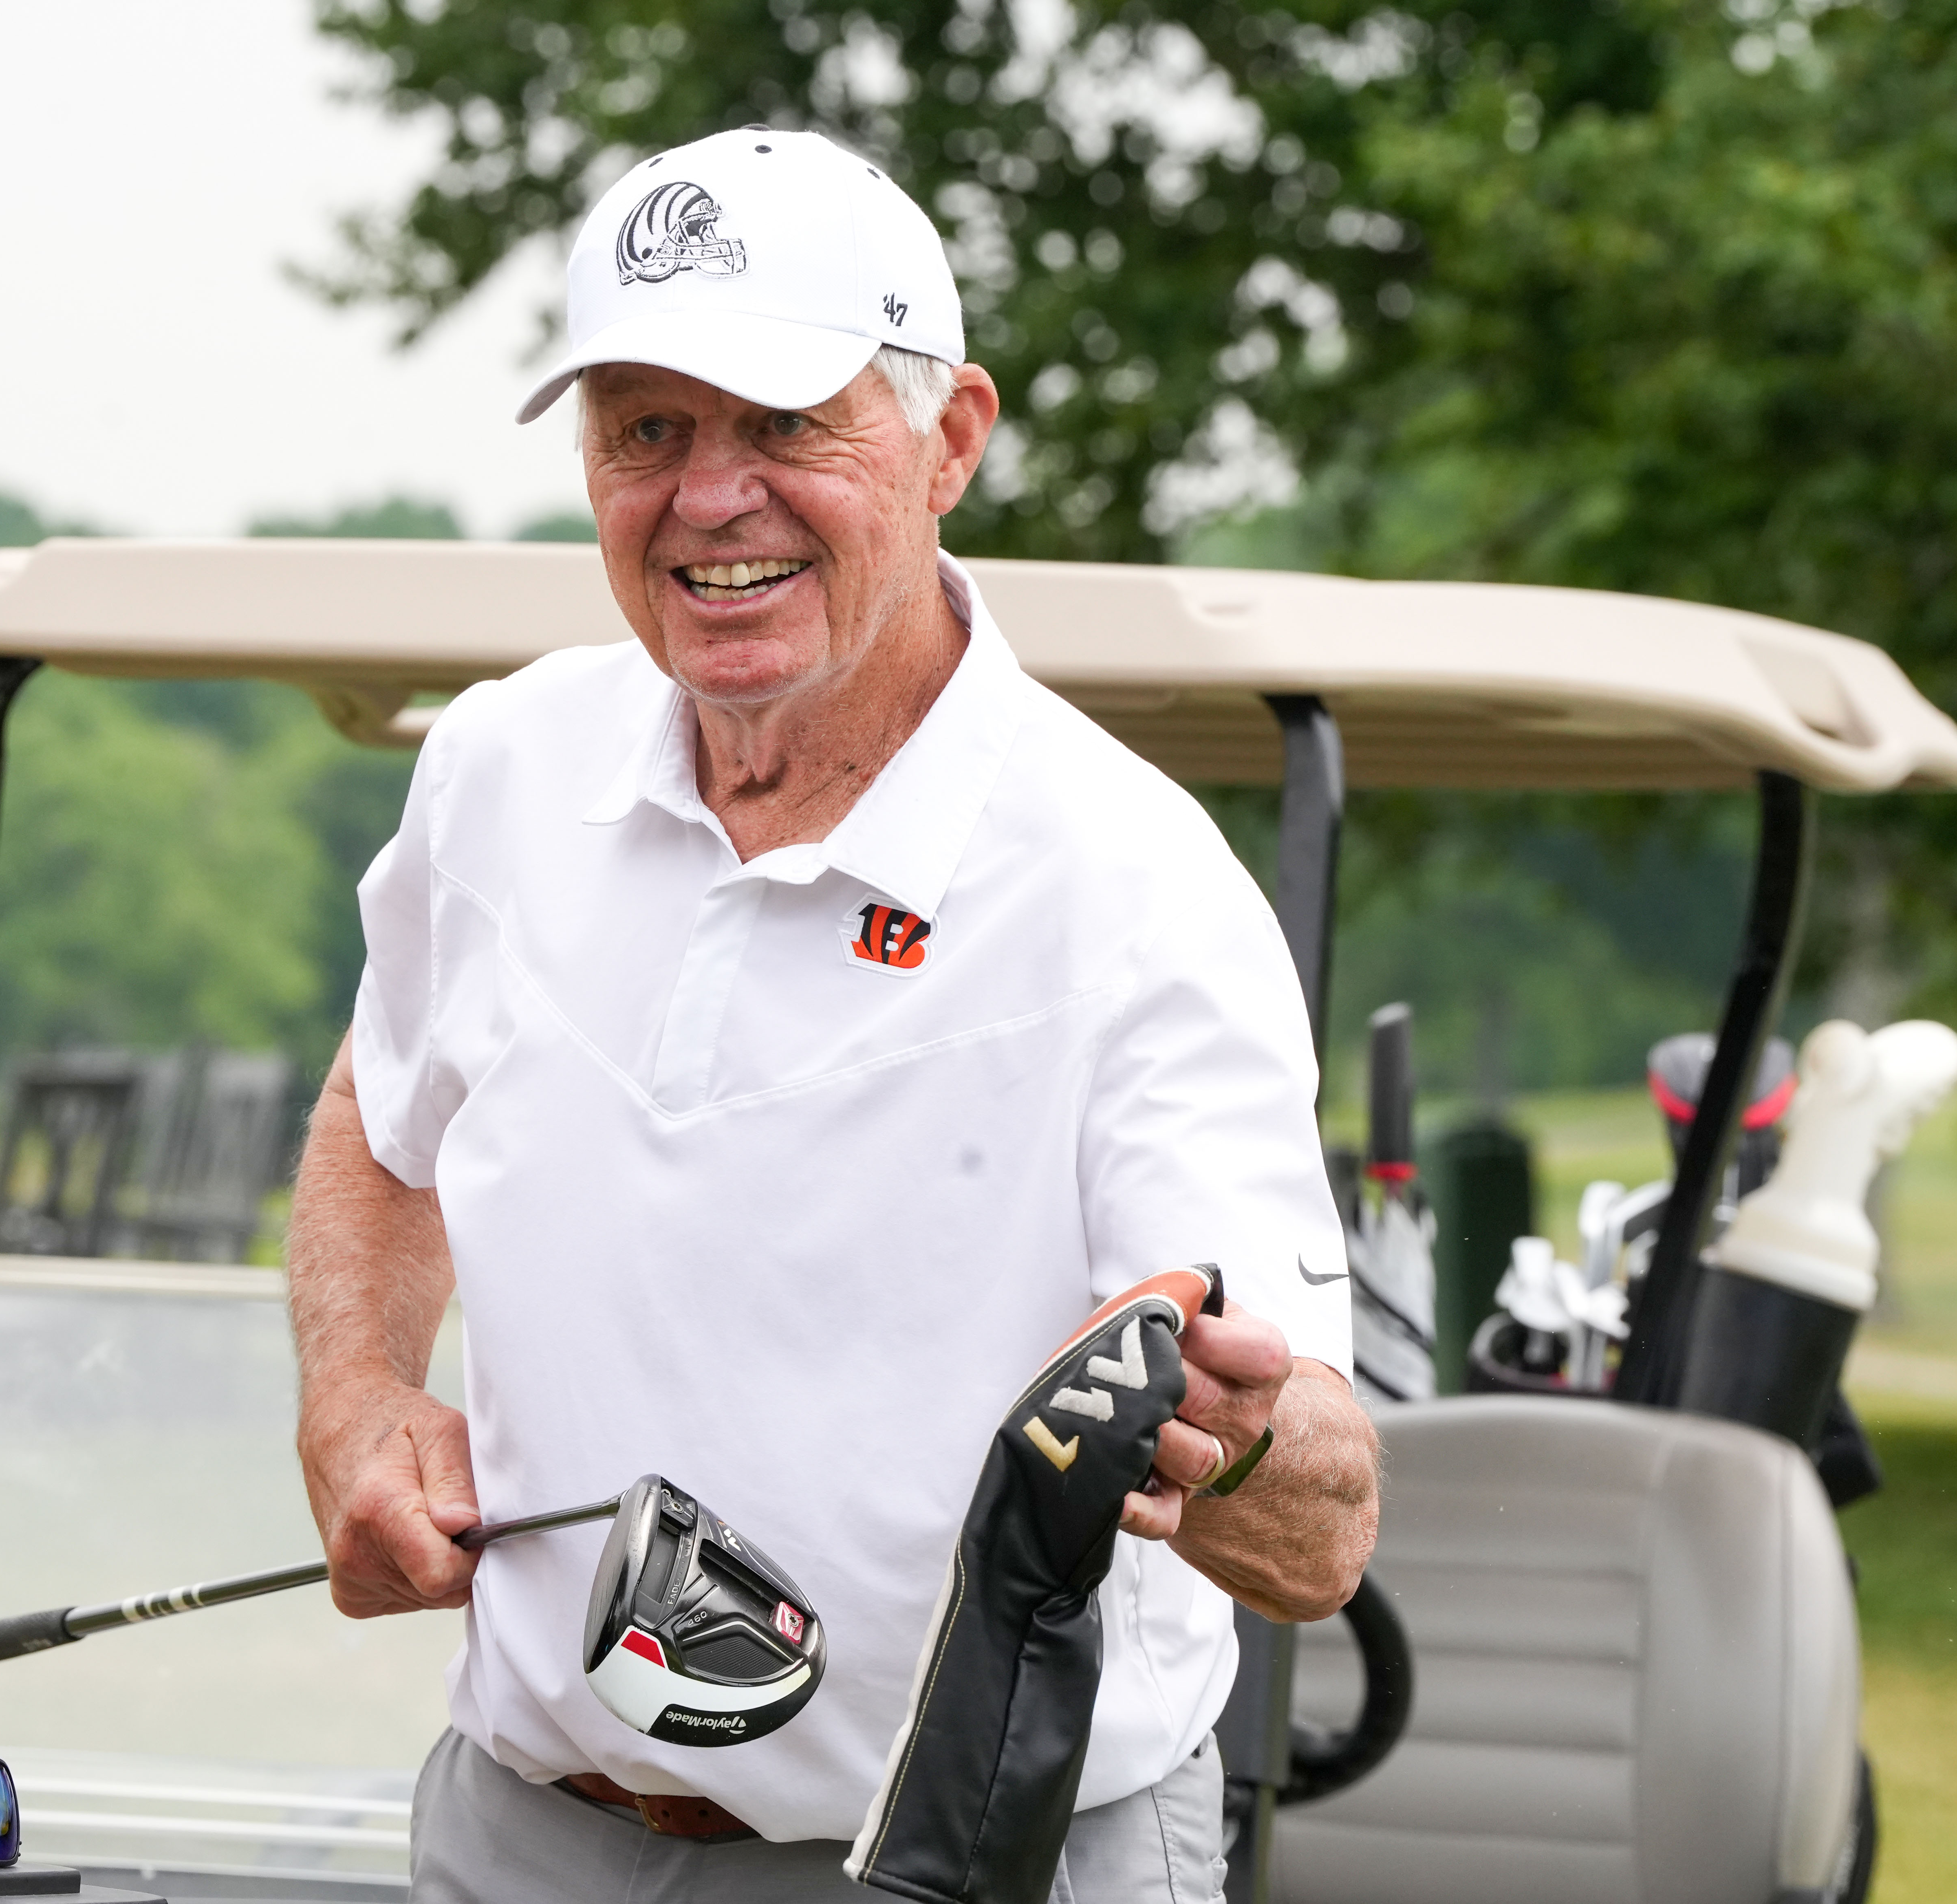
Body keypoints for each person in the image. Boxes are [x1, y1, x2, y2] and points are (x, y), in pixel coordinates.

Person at [288, 125, 1382, 1904]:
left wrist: (1249, 1442)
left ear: (953, 441)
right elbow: (378, 1115)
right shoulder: (502, 768)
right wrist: (354, 1395)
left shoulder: (1136, 888)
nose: (711, 496)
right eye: (647, 430)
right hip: (525, 1831)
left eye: (786, 424)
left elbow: (1322, 1526)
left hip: (989, 1855)